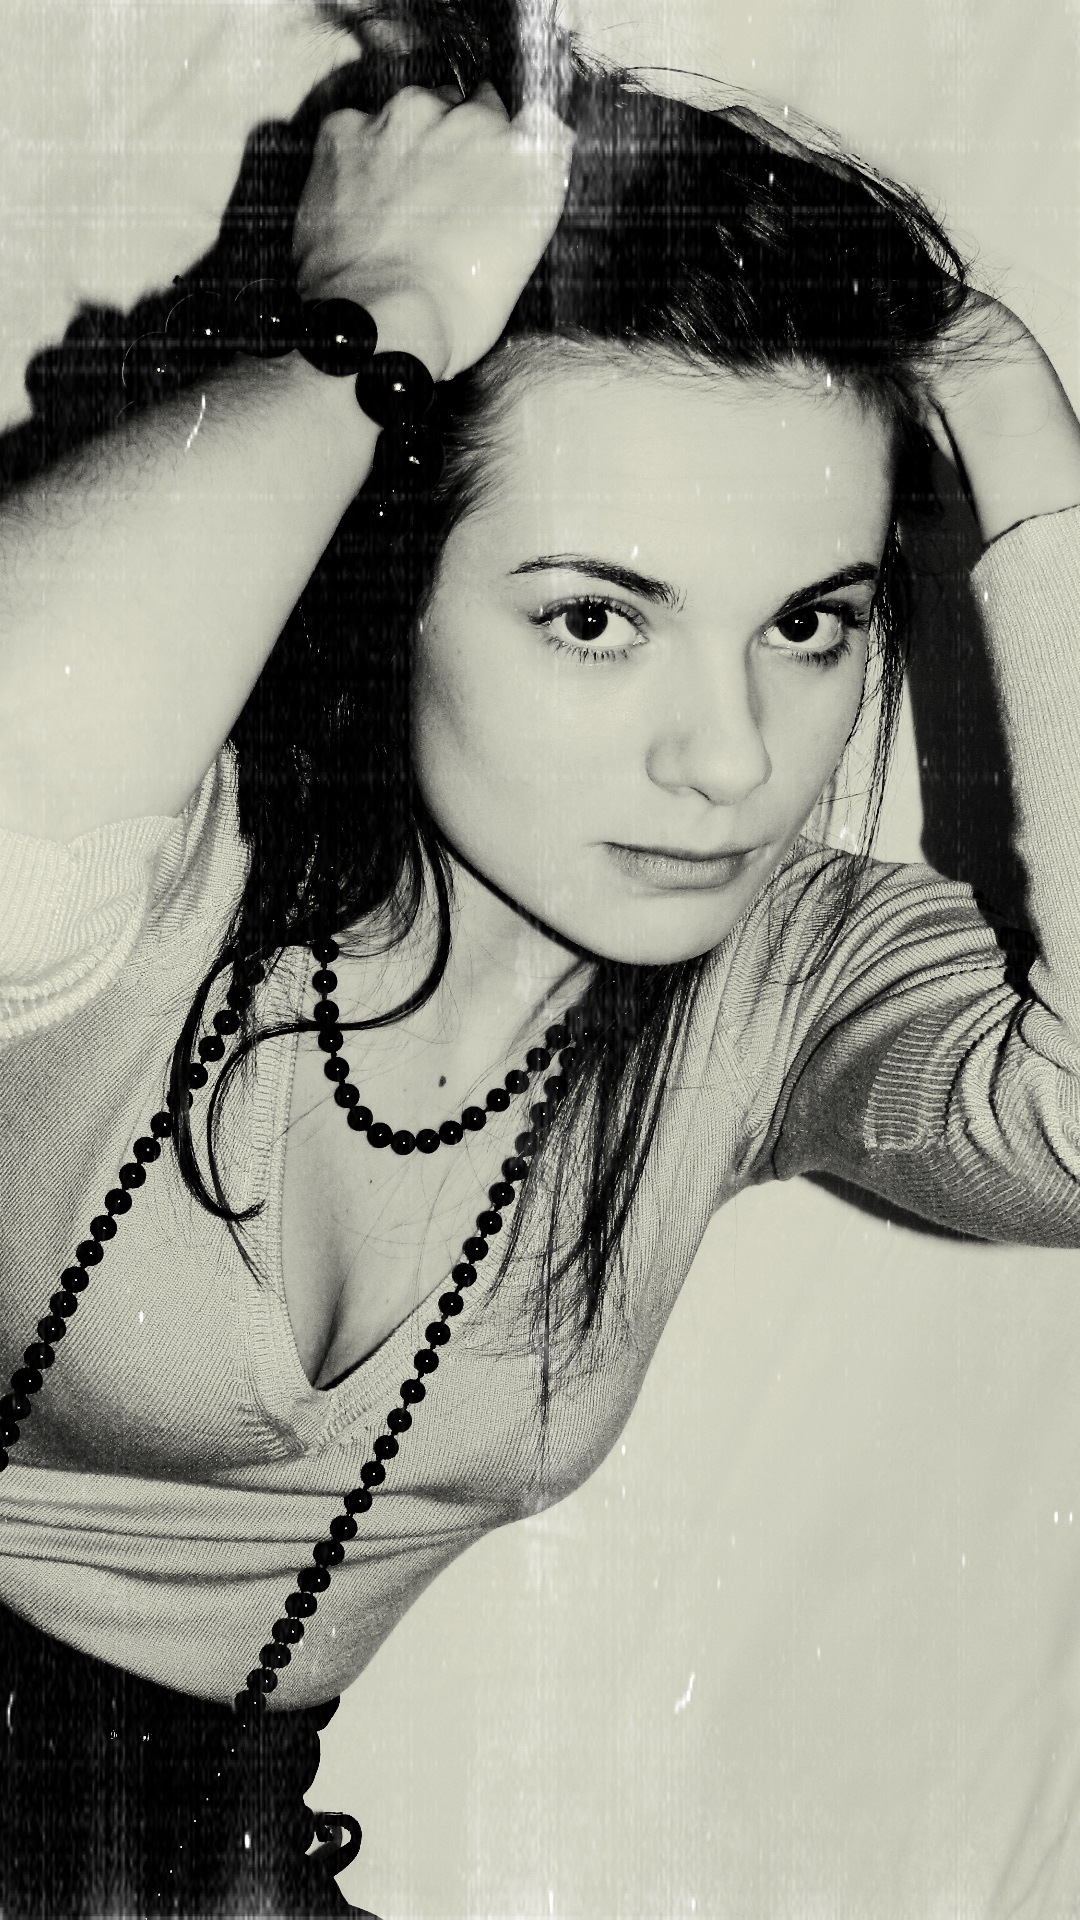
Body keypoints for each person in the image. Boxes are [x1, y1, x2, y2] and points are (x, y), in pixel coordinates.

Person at [2, 8, 1080, 1914]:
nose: (731, 759)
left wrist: (1030, 461)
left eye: (810, 624)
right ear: (389, 587)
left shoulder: (778, 987)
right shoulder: (153, 843)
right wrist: (386, 316)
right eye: (597, 619)